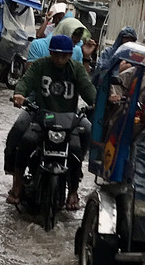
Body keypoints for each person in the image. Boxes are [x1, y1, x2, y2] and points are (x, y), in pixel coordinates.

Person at [5, 33, 97, 212]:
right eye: (56, 54)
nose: (60, 59)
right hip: (40, 113)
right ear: (50, 52)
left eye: (64, 55)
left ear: (70, 54)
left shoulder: (77, 69)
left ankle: (74, 190)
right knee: (22, 133)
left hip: (69, 117)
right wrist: (19, 94)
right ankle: (16, 183)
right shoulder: (41, 65)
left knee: (87, 131)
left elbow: (88, 91)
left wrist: (98, 102)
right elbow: (26, 81)